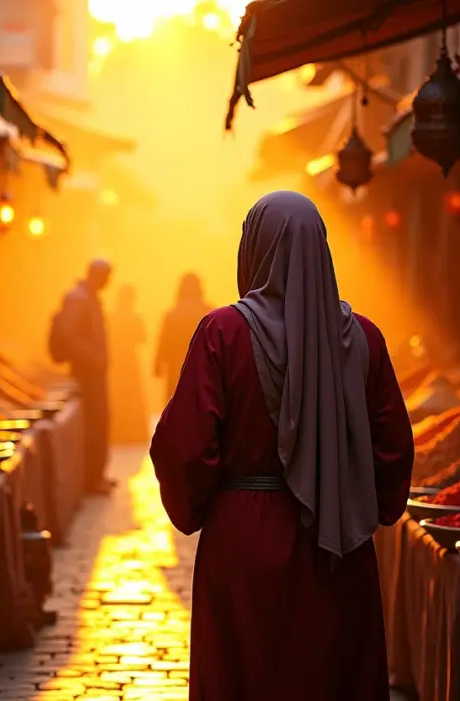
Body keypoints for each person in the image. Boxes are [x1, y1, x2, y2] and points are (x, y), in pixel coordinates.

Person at [150, 191, 414, 700]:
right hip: (338, 547)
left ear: (254, 249)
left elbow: (185, 448)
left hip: (244, 542)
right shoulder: (365, 339)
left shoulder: (222, 333)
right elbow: (394, 453)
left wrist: (204, 504)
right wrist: (355, 501)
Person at [55, 259, 116, 495]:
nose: (108, 282)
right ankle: (91, 480)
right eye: (106, 276)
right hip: (86, 374)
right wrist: (91, 358)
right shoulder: (78, 298)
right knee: (93, 426)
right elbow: (68, 335)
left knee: (100, 423)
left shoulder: (88, 297)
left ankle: (97, 475)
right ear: (97, 275)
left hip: (95, 373)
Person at [155, 273, 212, 403]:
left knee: (176, 406)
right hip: (203, 369)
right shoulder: (208, 312)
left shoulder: (173, 314)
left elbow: (164, 340)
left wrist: (158, 363)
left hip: (177, 367)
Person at [108, 285, 150, 443]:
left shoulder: (112, 317)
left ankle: (118, 435)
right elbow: (143, 338)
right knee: (133, 396)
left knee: (119, 395)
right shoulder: (134, 317)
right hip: (130, 361)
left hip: (118, 361)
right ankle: (135, 435)